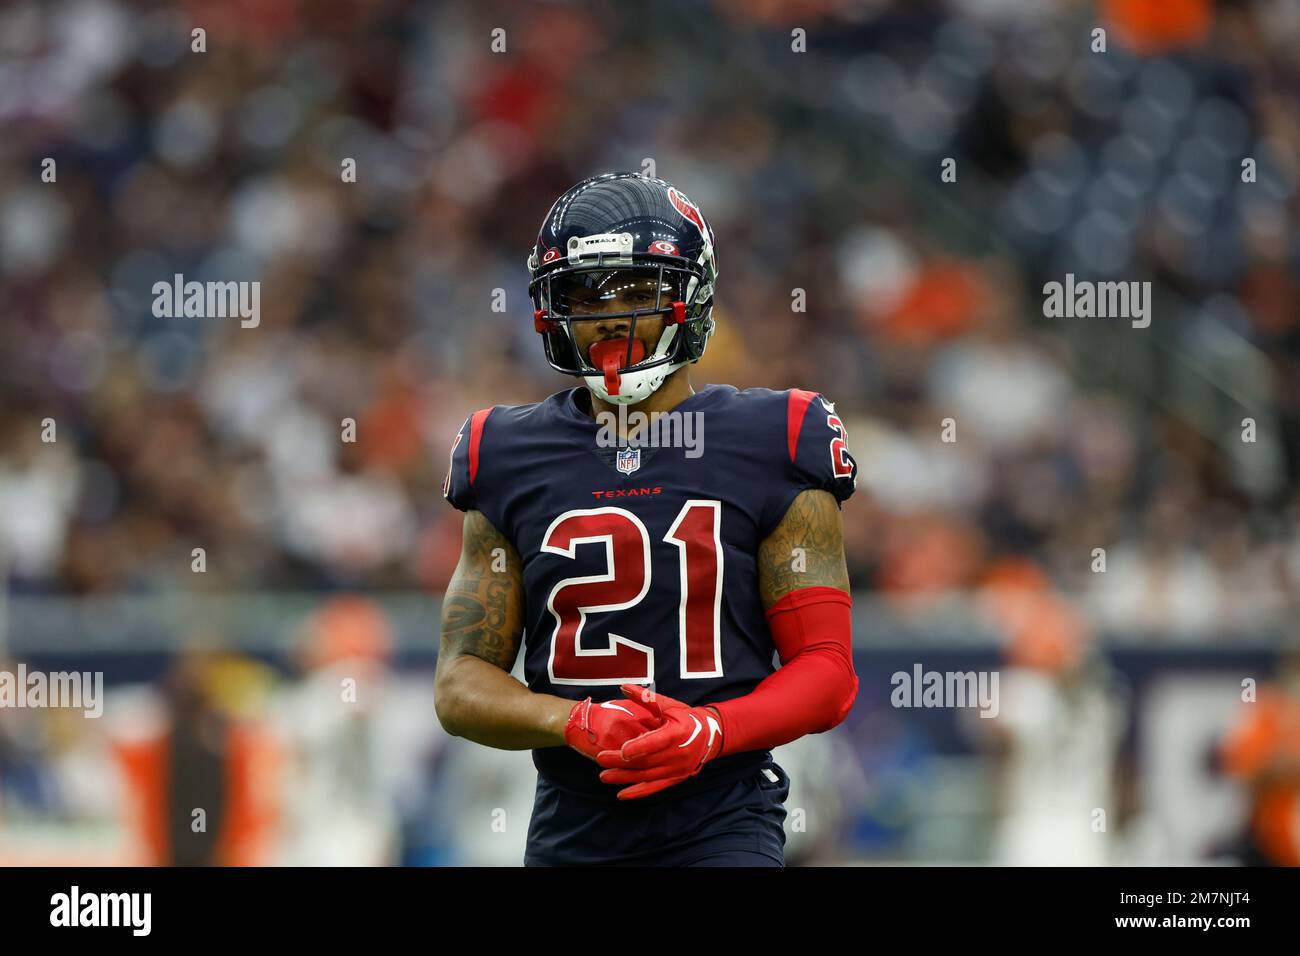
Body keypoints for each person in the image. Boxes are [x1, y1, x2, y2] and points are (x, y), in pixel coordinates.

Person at [434, 172, 859, 866]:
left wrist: (710, 731)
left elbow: (828, 670)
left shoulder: (777, 435)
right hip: (572, 825)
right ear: (550, 307)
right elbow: (459, 684)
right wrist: (571, 720)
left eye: (636, 291)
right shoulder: (502, 451)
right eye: (583, 295)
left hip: (719, 819)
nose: (610, 318)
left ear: (688, 297)